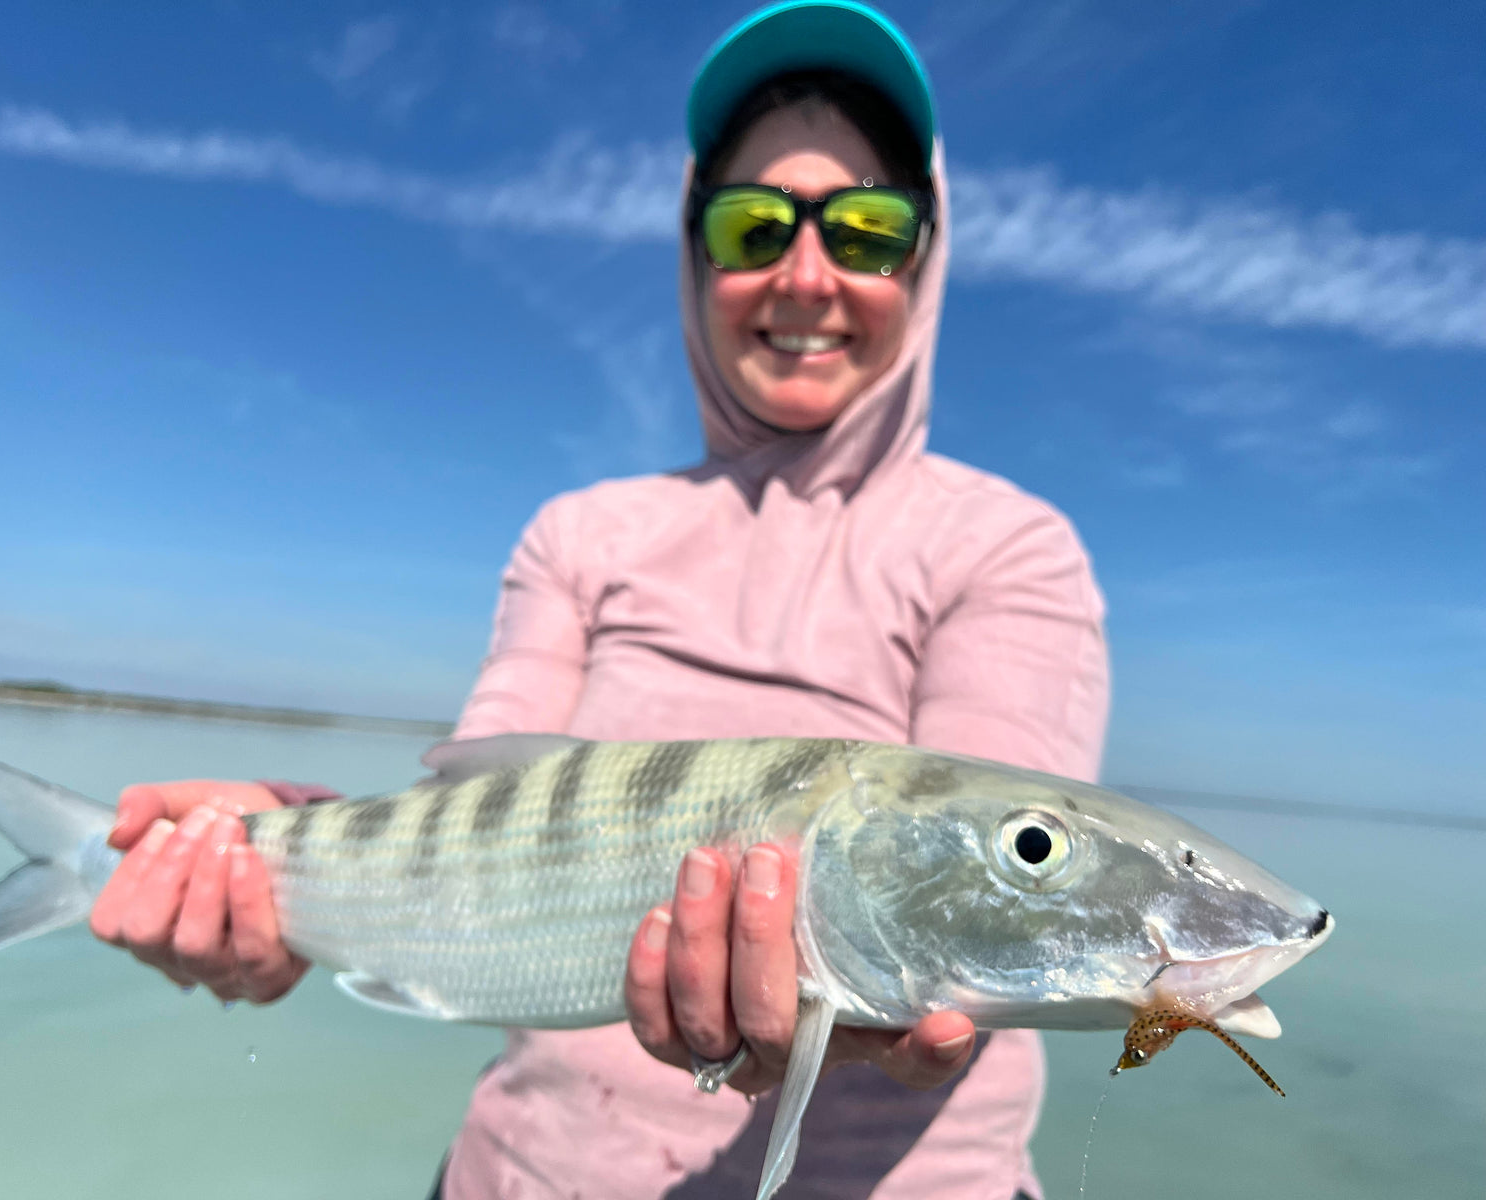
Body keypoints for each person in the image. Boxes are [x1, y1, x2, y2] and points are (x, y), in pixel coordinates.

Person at [88, 4, 1109, 1197]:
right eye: (752, 225)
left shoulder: (1005, 546)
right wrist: (272, 853)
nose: (806, 273)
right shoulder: (581, 533)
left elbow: (992, 892)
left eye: (871, 230)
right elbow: (480, 811)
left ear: (925, 260)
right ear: (692, 251)